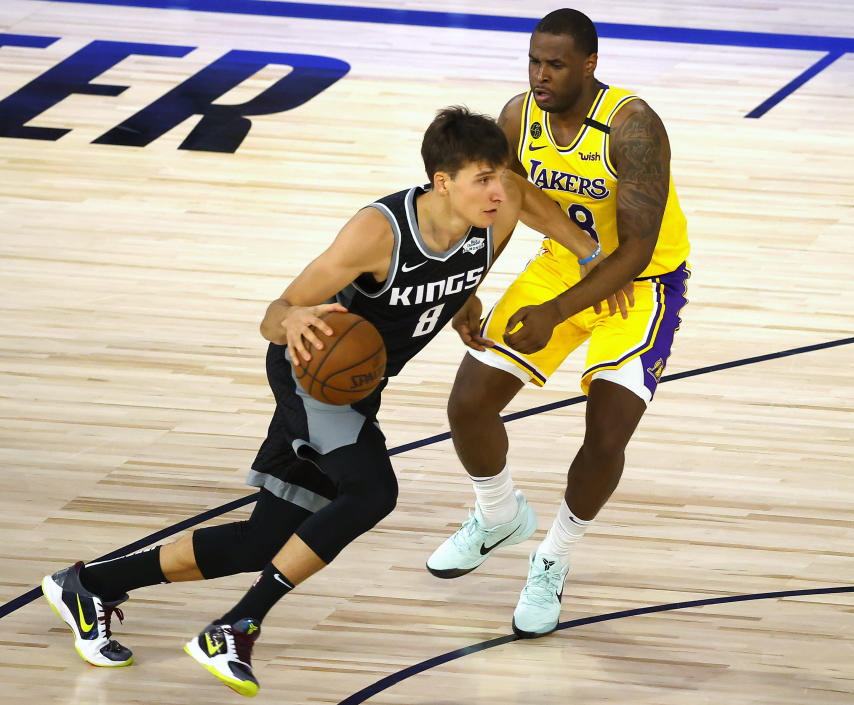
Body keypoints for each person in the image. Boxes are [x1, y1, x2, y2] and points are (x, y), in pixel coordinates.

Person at [40, 106, 622, 697]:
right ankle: (235, 628)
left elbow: (533, 205)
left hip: (359, 389)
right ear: (442, 183)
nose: (502, 192)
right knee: (372, 491)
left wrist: (586, 253)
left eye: (501, 175)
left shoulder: (497, 207)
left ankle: (90, 584)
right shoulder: (379, 232)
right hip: (310, 377)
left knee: (264, 542)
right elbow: (274, 314)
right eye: (484, 180)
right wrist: (291, 320)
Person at [426, 8, 691, 639]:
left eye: (556, 64)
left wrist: (554, 314)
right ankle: (497, 515)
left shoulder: (633, 128)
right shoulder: (520, 116)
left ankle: (553, 557)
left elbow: (632, 249)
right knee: (468, 404)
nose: (541, 75)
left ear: (590, 64)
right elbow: (499, 202)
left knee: (606, 431)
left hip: (643, 283)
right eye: (534, 62)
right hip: (562, 264)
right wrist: (470, 280)